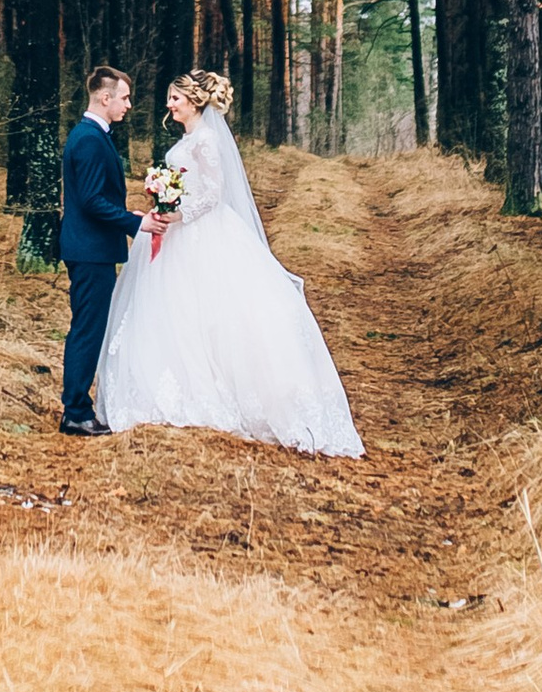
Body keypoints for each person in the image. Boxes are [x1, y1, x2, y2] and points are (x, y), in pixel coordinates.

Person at [93, 69, 362, 456]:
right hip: (175, 232)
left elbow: (214, 193)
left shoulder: (205, 140)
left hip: (203, 232)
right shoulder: (187, 138)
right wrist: (165, 202)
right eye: (170, 98)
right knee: (169, 311)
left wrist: (179, 213)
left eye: (175, 98)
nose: (169, 105)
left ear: (194, 101)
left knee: (214, 311)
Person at [57, 63, 145, 436]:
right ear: (104, 97)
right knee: (88, 330)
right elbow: (93, 200)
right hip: (90, 250)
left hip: (90, 248)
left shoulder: (91, 134)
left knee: (88, 327)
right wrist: (135, 223)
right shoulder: (90, 139)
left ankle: (77, 406)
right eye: (123, 98)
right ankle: (76, 411)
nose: (128, 105)